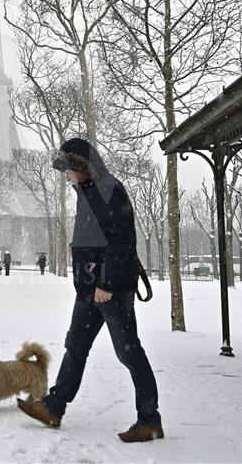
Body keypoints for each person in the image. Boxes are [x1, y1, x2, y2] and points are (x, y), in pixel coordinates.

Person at [17, 138, 163, 443]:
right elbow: (97, 234)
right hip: (88, 289)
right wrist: (78, 249)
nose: (65, 175)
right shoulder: (88, 191)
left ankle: (150, 420)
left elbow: (120, 240)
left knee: (129, 352)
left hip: (110, 290)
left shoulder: (108, 189)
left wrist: (105, 283)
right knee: (76, 346)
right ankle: (53, 407)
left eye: (67, 169)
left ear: (81, 166)